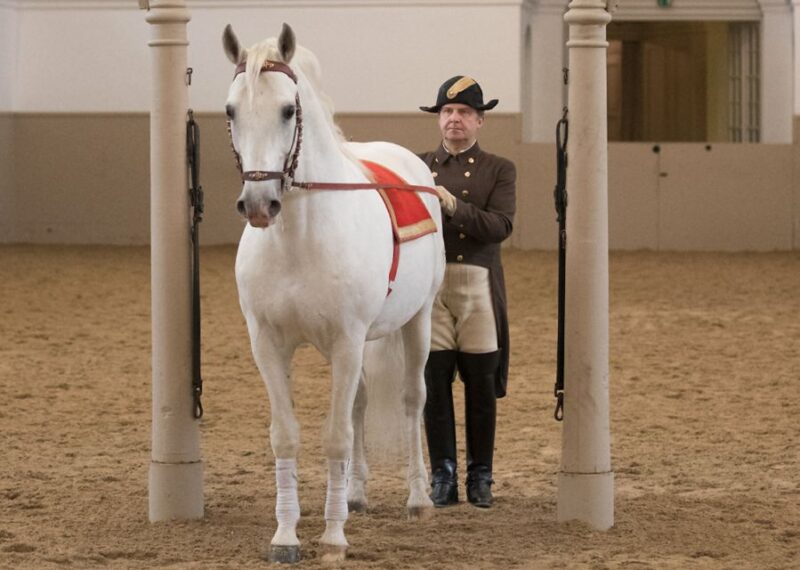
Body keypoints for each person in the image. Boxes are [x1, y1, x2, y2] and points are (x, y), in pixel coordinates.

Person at [417, 75, 516, 508]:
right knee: (433, 386)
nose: (454, 119)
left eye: (463, 113)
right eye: (447, 112)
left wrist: (454, 207)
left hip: (477, 284)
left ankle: (481, 475)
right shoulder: (417, 166)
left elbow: (500, 227)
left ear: (480, 121)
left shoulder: (499, 168)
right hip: (431, 285)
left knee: (479, 387)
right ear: (439, 119)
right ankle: (442, 474)